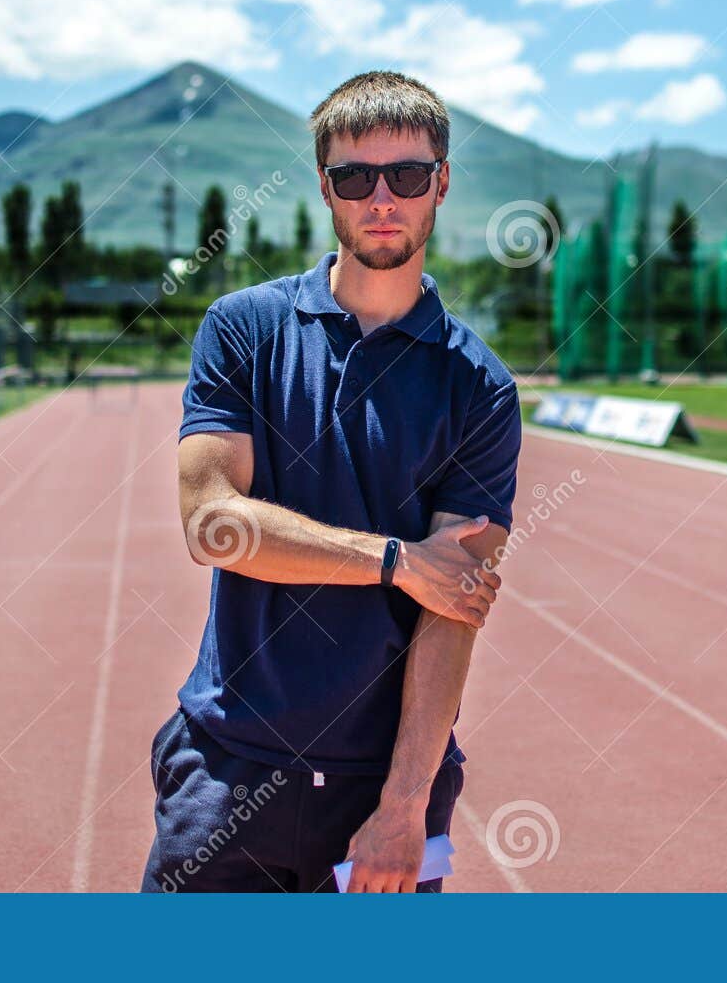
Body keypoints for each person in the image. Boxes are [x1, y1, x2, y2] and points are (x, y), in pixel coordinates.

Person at [141, 70, 522, 893]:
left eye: (407, 176)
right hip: (227, 767)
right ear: (326, 187)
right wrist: (397, 559)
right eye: (355, 177)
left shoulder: (479, 387)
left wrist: (405, 804)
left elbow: (454, 606)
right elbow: (213, 525)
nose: (380, 198)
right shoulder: (243, 328)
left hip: (380, 790)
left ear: (441, 183)